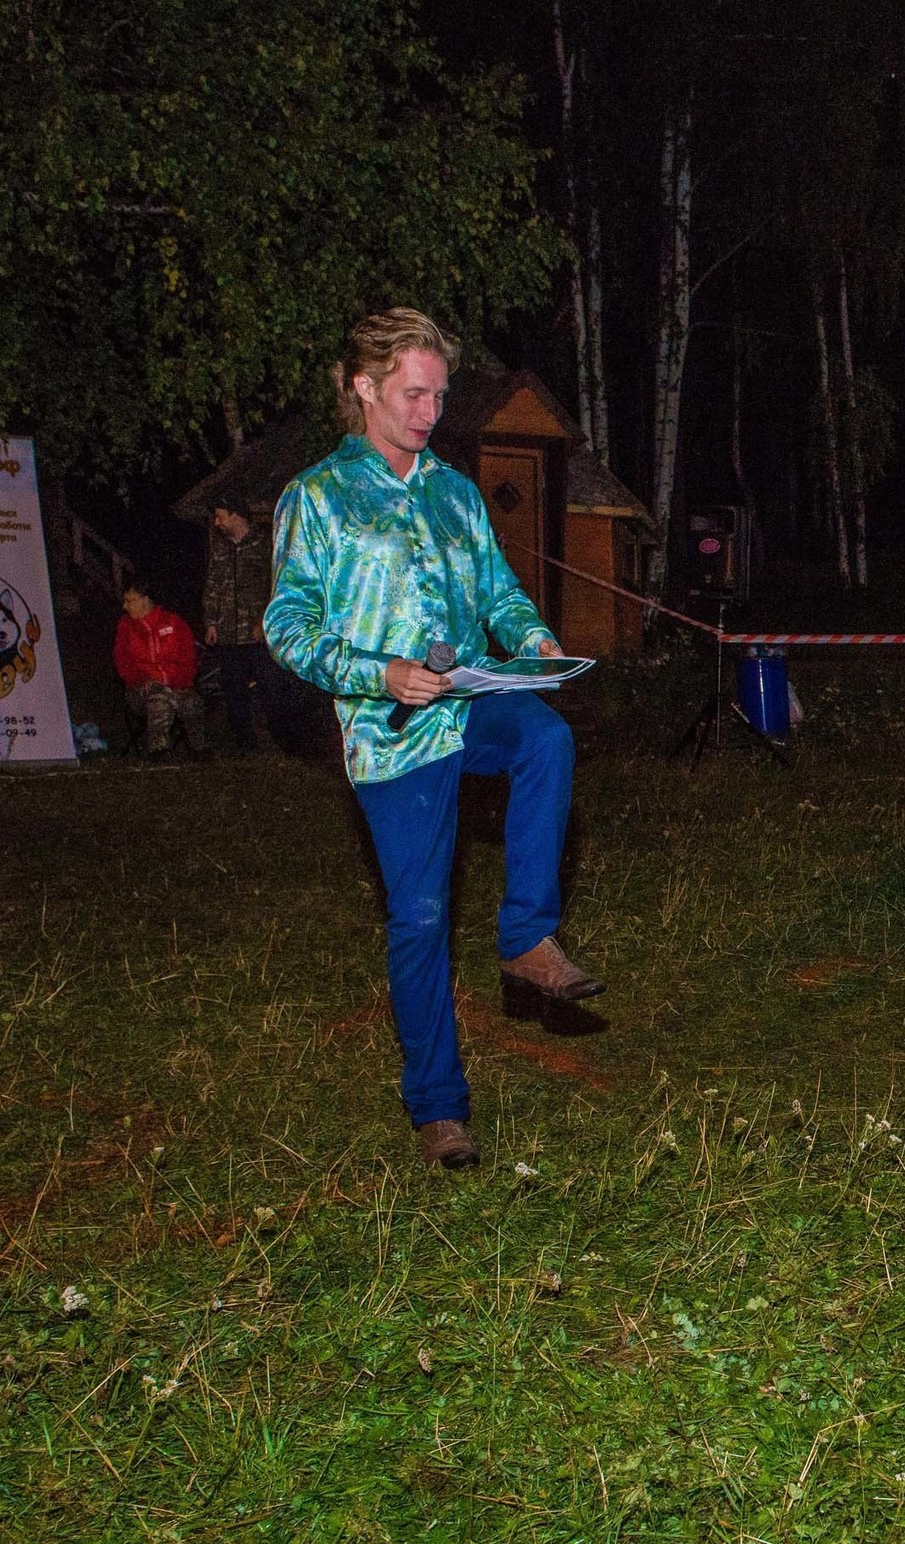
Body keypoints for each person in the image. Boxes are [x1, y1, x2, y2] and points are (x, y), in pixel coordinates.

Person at [267, 308, 604, 1171]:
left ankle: (528, 936)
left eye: (439, 395)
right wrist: (378, 673)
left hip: (468, 700)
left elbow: (498, 594)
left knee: (546, 738)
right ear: (364, 387)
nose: (429, 411)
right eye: (414, 393)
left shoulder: (455, 493)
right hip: (393, 732)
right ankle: (438, 1108)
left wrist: (531, 642)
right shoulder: (317, 499)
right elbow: (288, 627)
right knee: (418, 918)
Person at [200, 504, 304, 750]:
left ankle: (285, 743)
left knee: (273, 690)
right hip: (228, 635)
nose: (217, 522)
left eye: (220, 517)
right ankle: (246, 746)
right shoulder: (221, 547)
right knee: (235, 693)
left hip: (259, 637)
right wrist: (211, 622)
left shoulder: (265, 544)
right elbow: (213, 584)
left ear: (235, 515)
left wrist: (264, 621)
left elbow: (280, 585)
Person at [113, 585, 211, 758]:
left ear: (146, 601)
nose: (125, 606)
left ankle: (199, 747)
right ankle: (159, 751)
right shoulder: (126, 627)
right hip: (141, 690)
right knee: (159, 698)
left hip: (177, 685)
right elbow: (124, 665)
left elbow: (189, 660)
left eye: (130, 601)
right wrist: (152, 678)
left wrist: (171, 679)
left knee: (190, 701)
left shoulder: (174, 623)